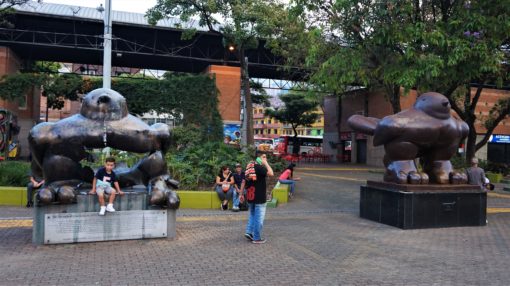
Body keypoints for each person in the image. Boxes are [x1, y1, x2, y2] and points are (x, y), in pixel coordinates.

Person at [244, 153, 274, 244]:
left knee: (253, 215)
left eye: (266, 157)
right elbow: (271, 173)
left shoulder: (250, 166)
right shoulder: (259, 167)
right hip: (259, 197)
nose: (265, 158)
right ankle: (256, 238)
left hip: (251, 196)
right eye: (264, 157)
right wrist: (266, 163)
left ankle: (249, 232)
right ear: (259, 158)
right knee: (259, 218)